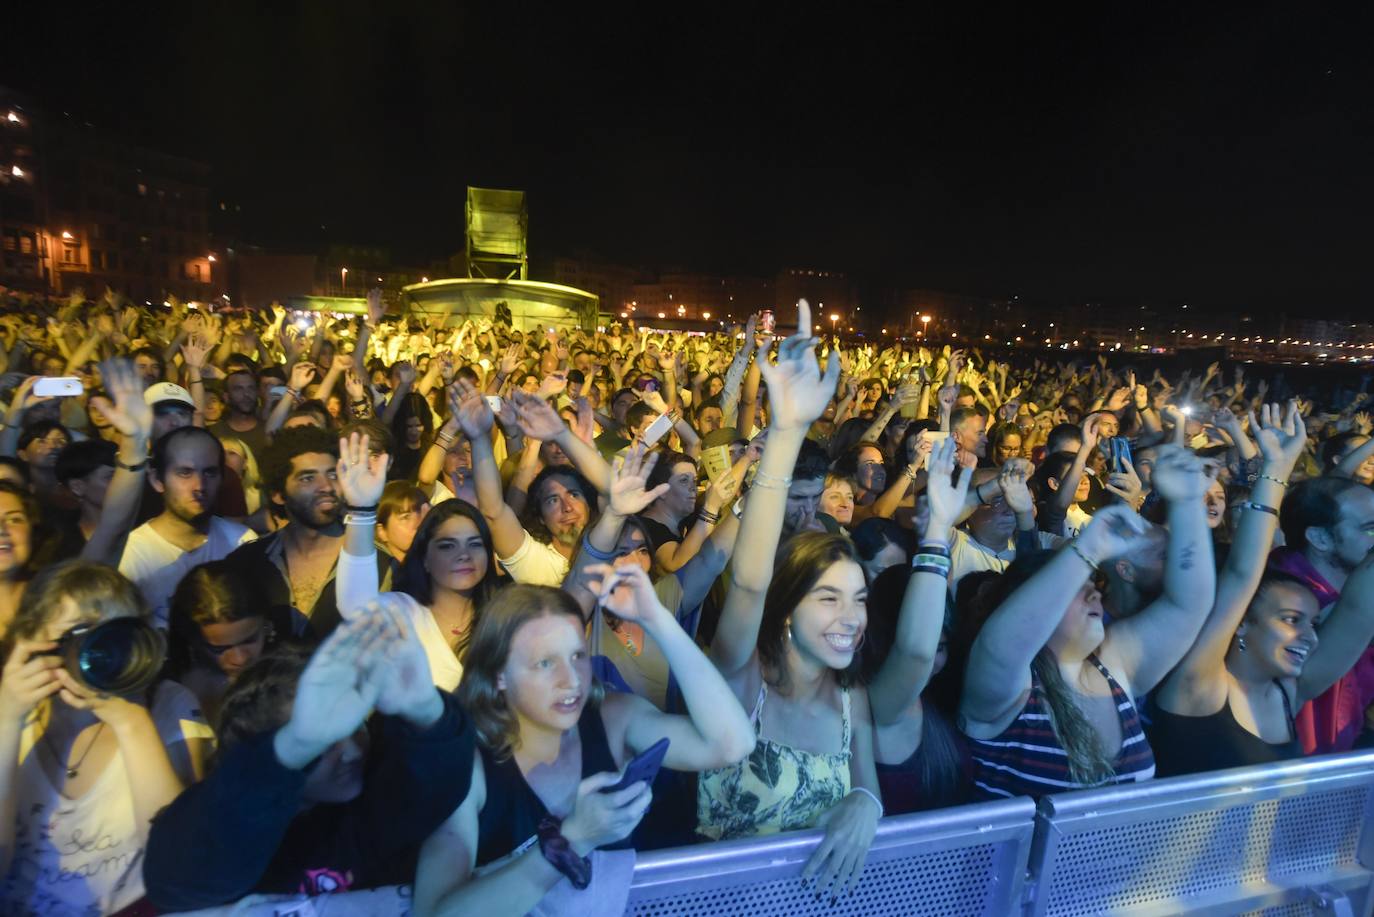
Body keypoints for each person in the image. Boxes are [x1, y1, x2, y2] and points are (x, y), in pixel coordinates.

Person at [412, 571, 753, 916]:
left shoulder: (612, 718)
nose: (571, 680)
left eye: (578, 656)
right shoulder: (468, 765)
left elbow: (732, 744)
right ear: (499, 674)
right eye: (545, 663)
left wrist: (657, 619)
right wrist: (573, 841)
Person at [699, 303, 883, 901]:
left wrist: (865, 802)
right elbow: (750, 583)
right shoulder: (741, 678)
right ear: (786, 609)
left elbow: (868, 786)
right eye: (827, 598)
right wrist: (786, 432)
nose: (849, 617)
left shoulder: (853, 695)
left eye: (857, 599)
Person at [144, 601, 476, 909]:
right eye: (324, 743)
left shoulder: (368, 801)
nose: (350, 752)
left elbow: (434, 788)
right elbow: (181, 877)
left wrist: (424, 710)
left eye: (354, 725)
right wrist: (296, 746)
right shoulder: (218, 818)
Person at [959, 445, 1215, 799]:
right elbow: (1002, 642)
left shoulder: (1114, 668)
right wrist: (1088, 549)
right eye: (1078, 590)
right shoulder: (1006, 690)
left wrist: (1188, 503)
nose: (1095, 593)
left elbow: (1189, 604)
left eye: (1091, 583)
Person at [0, 561, 211, 914]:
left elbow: (180, 867)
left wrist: (131, 723)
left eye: (118, 632)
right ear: (38, 644)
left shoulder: (167, 704)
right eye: (83, 632)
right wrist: (6, 718)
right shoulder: (12, 709)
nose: (102, 648)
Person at [335, 432, 502, 691]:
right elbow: (355, 605)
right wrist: (361, 509)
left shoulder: (505, 615)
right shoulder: (402, 613)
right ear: (424, 558)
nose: (463, 554)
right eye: (447, 545)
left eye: (475, 543)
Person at [864, 439, 973, 814]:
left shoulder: (942, 700)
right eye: (930, 640)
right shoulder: (875, 703)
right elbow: (915, 653)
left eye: (941, 647)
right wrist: (936, 533)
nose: (932, 660)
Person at [224, 426, 389, 639]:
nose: (326, 487)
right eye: (307, 478)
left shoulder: (381, 564)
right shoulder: (246, 563)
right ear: (278, 494)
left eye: (332, 474)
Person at [457, 381, 601, 586]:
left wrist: (588, 447)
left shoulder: (610, 549)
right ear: (540, 517)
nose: (567, 507)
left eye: (574, 495)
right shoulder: (537, 565)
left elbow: (614, 495)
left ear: (589, 505)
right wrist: (479, 438)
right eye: (552, 500)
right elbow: (495, 512)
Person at [119, 426, 257, 627]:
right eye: (185, 473)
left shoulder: (244, 543)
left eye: (210, 473)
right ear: (157, 480)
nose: (199, 486)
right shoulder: (130, 556)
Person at [164, 559, 292, 723]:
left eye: (250, 640)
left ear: (266, 624)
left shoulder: (289, 677)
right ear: (192, 641)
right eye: (219, 649)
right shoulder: (169, 689)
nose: (240, 659)